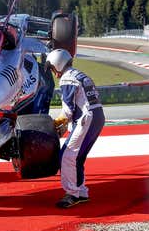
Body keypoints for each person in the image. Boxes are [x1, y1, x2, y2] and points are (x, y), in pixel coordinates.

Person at [45, 49, 105, 209]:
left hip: (87, 119)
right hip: (97, 116)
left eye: (52, 68)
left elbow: (68, 110)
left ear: (57, 65)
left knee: (66, 156)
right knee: (77, 157)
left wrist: (55, 123)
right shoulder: (79, 74)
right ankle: (82, 192)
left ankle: (72, 194)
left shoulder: (67, 79)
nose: (53, 72)